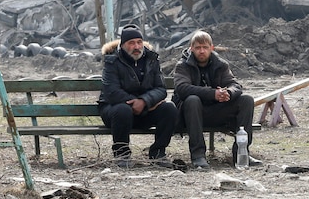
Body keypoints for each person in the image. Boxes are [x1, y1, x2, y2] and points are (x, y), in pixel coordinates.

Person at [172, 30, 262, 169]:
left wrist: (228, 93)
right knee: (192, 100)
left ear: (211, 48)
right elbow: (182, 88)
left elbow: (235, 85)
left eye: (205, 47)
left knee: (246, 100)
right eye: (198, 48)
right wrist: (212, 93)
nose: (202, 51)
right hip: (191, 114)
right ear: (191, 49)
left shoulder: (220, 64)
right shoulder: (182, 65)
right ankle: (198, 156)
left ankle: (240, 153)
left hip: (216, 111)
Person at [98, 24, 177, 168]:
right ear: (123, 45)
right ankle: (122, 154)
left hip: (146, 110)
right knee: (123, 110)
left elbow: (161, 89)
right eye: (132, 43)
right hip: (115, 112)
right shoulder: (112, 61)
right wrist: (136, 103)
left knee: (169, 108)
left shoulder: (152, 59)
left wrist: (144, 101)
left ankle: (158, 153)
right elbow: (112, 92)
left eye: (139, 42)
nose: (137, 46)